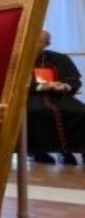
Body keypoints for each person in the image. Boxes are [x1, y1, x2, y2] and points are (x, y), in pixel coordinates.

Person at [26, 30, 84, 165]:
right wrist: (43, 86)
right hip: (31, 96)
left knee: (80, 112)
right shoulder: (19, 59)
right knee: (36, 112)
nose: (35, 44)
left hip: (59, 97)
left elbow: (74, 81)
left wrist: (65, 86)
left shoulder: (59, 59)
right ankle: (39, 152)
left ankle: (71, 151)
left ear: (47, 44)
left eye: (40, 41)